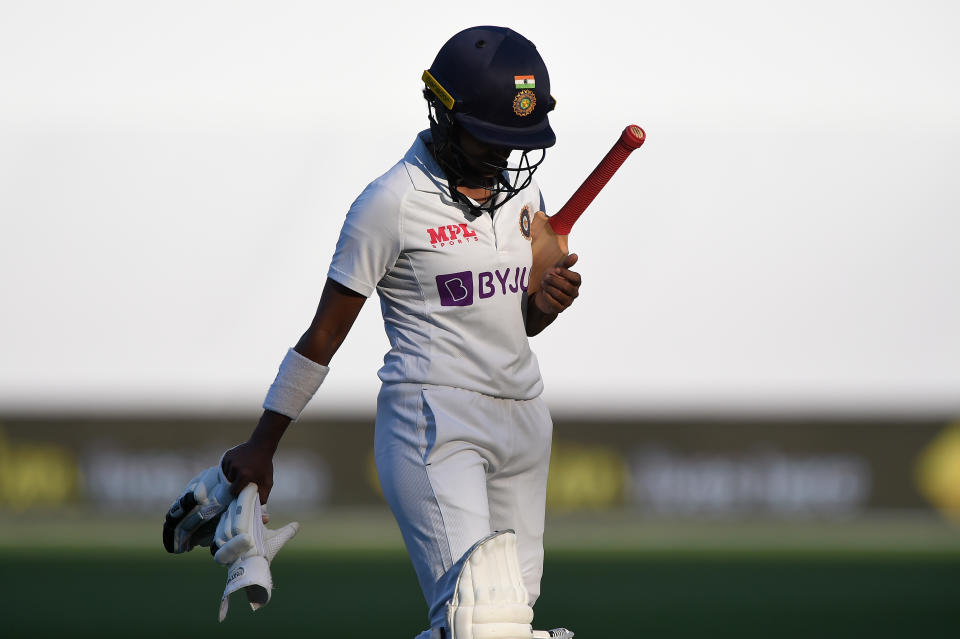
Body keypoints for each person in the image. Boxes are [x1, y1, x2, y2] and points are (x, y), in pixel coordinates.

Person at [167, 26, 581, 639]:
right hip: (436, 421)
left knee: (510, 623)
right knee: (481, 622)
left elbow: (517, 323)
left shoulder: (524, 198)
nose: (503, 157)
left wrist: (546, 303)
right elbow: (323, 337)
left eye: (514, 142)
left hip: (524, 420)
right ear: (443, 114)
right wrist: (261, 446)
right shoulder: (389, 203)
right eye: (490, 138)